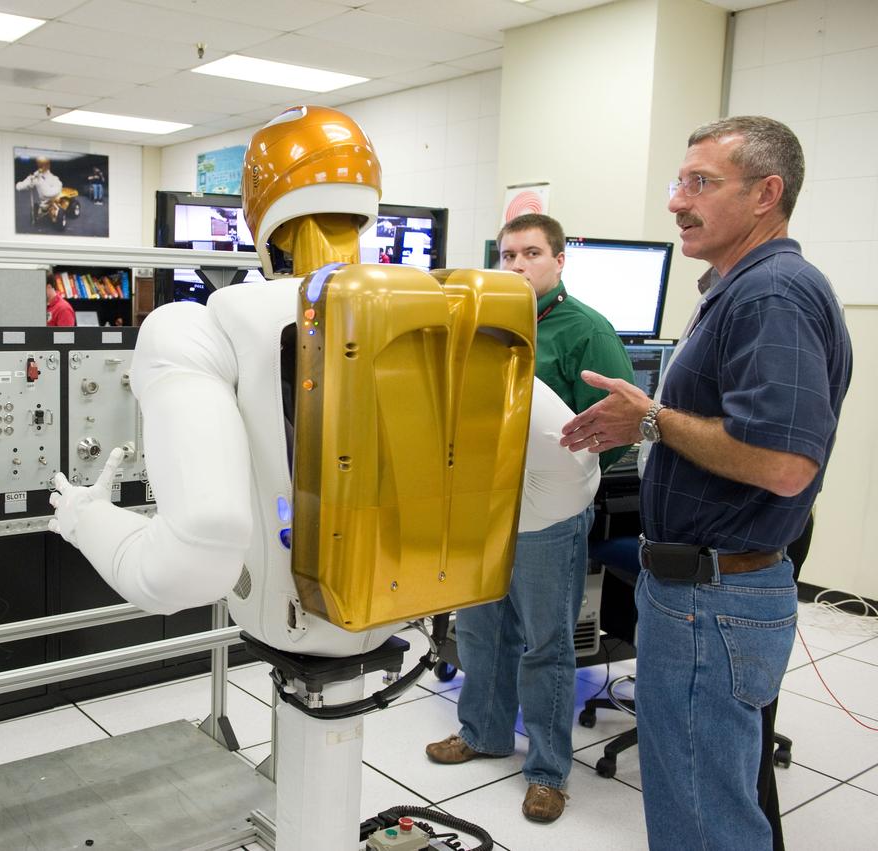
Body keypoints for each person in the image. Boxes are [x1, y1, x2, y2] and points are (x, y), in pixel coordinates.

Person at [46, 105, 599, 849]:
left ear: (257, 212)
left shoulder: (198, 325)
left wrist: (86, 517)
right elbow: (568, 469)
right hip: (396, 604)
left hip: (287, 610)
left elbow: (200, 544)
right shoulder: (447, 317)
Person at [560, 116, 852, 849]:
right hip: (702, 593)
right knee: (701, 794)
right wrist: (647, 423)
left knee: (703, 814)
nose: (676, 201)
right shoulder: (740, 288)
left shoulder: (771, 295)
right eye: (677, 182)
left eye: (701, 183)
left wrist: (651, 418)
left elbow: (785, 463)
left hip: (712, 601)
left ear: (766, 194)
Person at [425, 213, 634, 824]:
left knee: (546, 643)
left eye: (531, 254)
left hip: (551, 509)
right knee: (483, 626)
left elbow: (617, 423)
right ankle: (484, 732)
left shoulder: (584, 329)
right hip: (485, 503)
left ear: (560, 260)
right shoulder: (485, 321)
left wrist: (575, 475)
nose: (517, 266)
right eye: (508, 255)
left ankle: (547, 771)